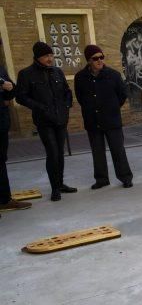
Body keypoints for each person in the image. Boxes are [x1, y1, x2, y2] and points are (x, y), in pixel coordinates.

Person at [16, 42, 77, 201]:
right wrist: (40, 107)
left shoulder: (57, 72)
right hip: (44, 121)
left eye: (51, 55)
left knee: (60, 153)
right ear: (37, 57)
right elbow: (21, 97)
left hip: (61, 119)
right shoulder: (26, 74)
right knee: (52, 153)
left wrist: (67, 105)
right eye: (46, 56)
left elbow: (67, 91)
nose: (49, 59)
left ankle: (61, 183)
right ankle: (55, 188)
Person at [74, 44, 133, 189]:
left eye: (101, 57)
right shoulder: (81, 77)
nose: (100, 61)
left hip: (112, 120)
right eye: (95, 59)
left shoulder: (113, 75)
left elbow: (122, 94)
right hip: (92, 121)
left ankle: (125, 177)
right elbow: (80, 97)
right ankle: (101, 179)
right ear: (89, 60)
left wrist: (112, 108)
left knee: (118, 150)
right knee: (97, 152)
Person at [0, 65, 32, 215]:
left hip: (1, 121)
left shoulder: (0, 68)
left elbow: (12, 89)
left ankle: (4, 200)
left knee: (1, 160)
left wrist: (6, 92)